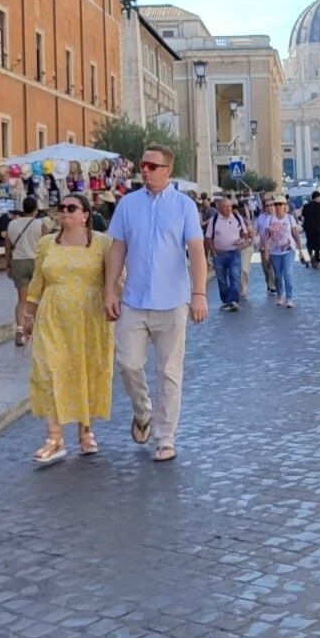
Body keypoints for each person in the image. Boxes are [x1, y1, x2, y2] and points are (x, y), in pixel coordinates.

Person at [103, 144, 208, 464]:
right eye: (142, 164)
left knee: (169, 372)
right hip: (134, 299)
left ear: (167, 171)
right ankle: (142, 411)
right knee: (128, 364)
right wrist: (109, 290)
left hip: (172, 301)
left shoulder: (184, 206)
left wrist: (199, 293)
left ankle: (165, 437)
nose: (144, 170)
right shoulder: (127, 204)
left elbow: (196, 251)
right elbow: (117, 248)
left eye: (151, 165)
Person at [21, 194, 115, 463]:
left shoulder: (102, 244)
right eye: (60, 208)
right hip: (53, 316)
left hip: (89, 318)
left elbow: (115, 277)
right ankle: (54, 437)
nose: (64, 212)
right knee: (50, 371)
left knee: (84, 371)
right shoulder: (47, 243)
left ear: (85, 214)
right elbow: (38, 280)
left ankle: (86, 431)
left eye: (71, 208)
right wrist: (28, 314)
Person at [4, 196, 48, 347]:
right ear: (35, 209)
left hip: (19, 262)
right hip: (36, 262)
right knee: (38, 298)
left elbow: (8, 247)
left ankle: (20, 329)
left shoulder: (12, 224)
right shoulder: (40, 224)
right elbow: (47, 246)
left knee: (22, 299)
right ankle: (37, 329)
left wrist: (8, 265)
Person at [205, 197, 247, 312]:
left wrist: (242, 240)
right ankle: (226, 300)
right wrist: (213, 252)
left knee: (235, 276)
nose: (228, 209)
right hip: (219, 254)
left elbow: (244, 233)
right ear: (219, 208)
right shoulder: (214, 221)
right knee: (221, 279)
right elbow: (208, 238)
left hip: (234, 252)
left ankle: (233, 300)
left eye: (230, 206)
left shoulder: (237, 218)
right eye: (225, 207)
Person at [260, 198, 303, 308]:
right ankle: (280, 295)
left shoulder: (289, 218)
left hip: (288, 250)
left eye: (280, 204)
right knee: (278, 275)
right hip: (274, 252)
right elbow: (266, 236)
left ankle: (289, 298)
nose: (278, 206)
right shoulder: (269, 219)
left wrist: (300, 249)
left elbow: (295, 234)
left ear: (285, 206)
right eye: (276, 204)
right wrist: (265, 250)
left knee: (288, 273)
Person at [300, 191, 320, 268]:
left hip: (308, 228)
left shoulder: (306, 206)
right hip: (318, 228)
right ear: (317, 197)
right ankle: (316, 259)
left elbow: (303, 218)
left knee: (309, 242)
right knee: (318, 244)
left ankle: (310, 255)